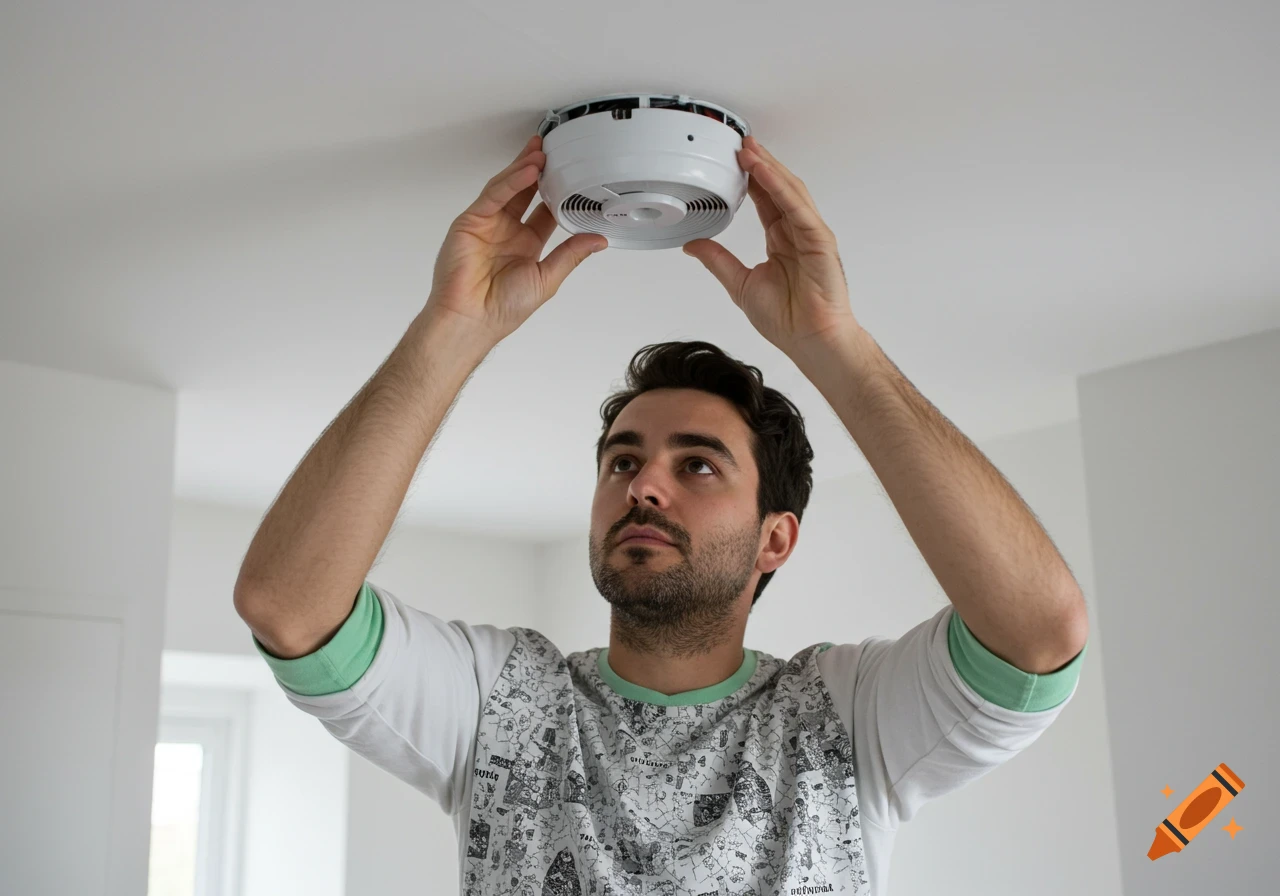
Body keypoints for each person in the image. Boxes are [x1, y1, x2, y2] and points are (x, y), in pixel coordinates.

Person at [234, 132, 1090, 895]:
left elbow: (1037, 631)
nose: (643, 486)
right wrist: (453, 328)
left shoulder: (844, 718)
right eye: (624, 461)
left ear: (775, 539)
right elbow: (289, 603)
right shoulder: (501, 705)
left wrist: (836, 343)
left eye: (698, 465)